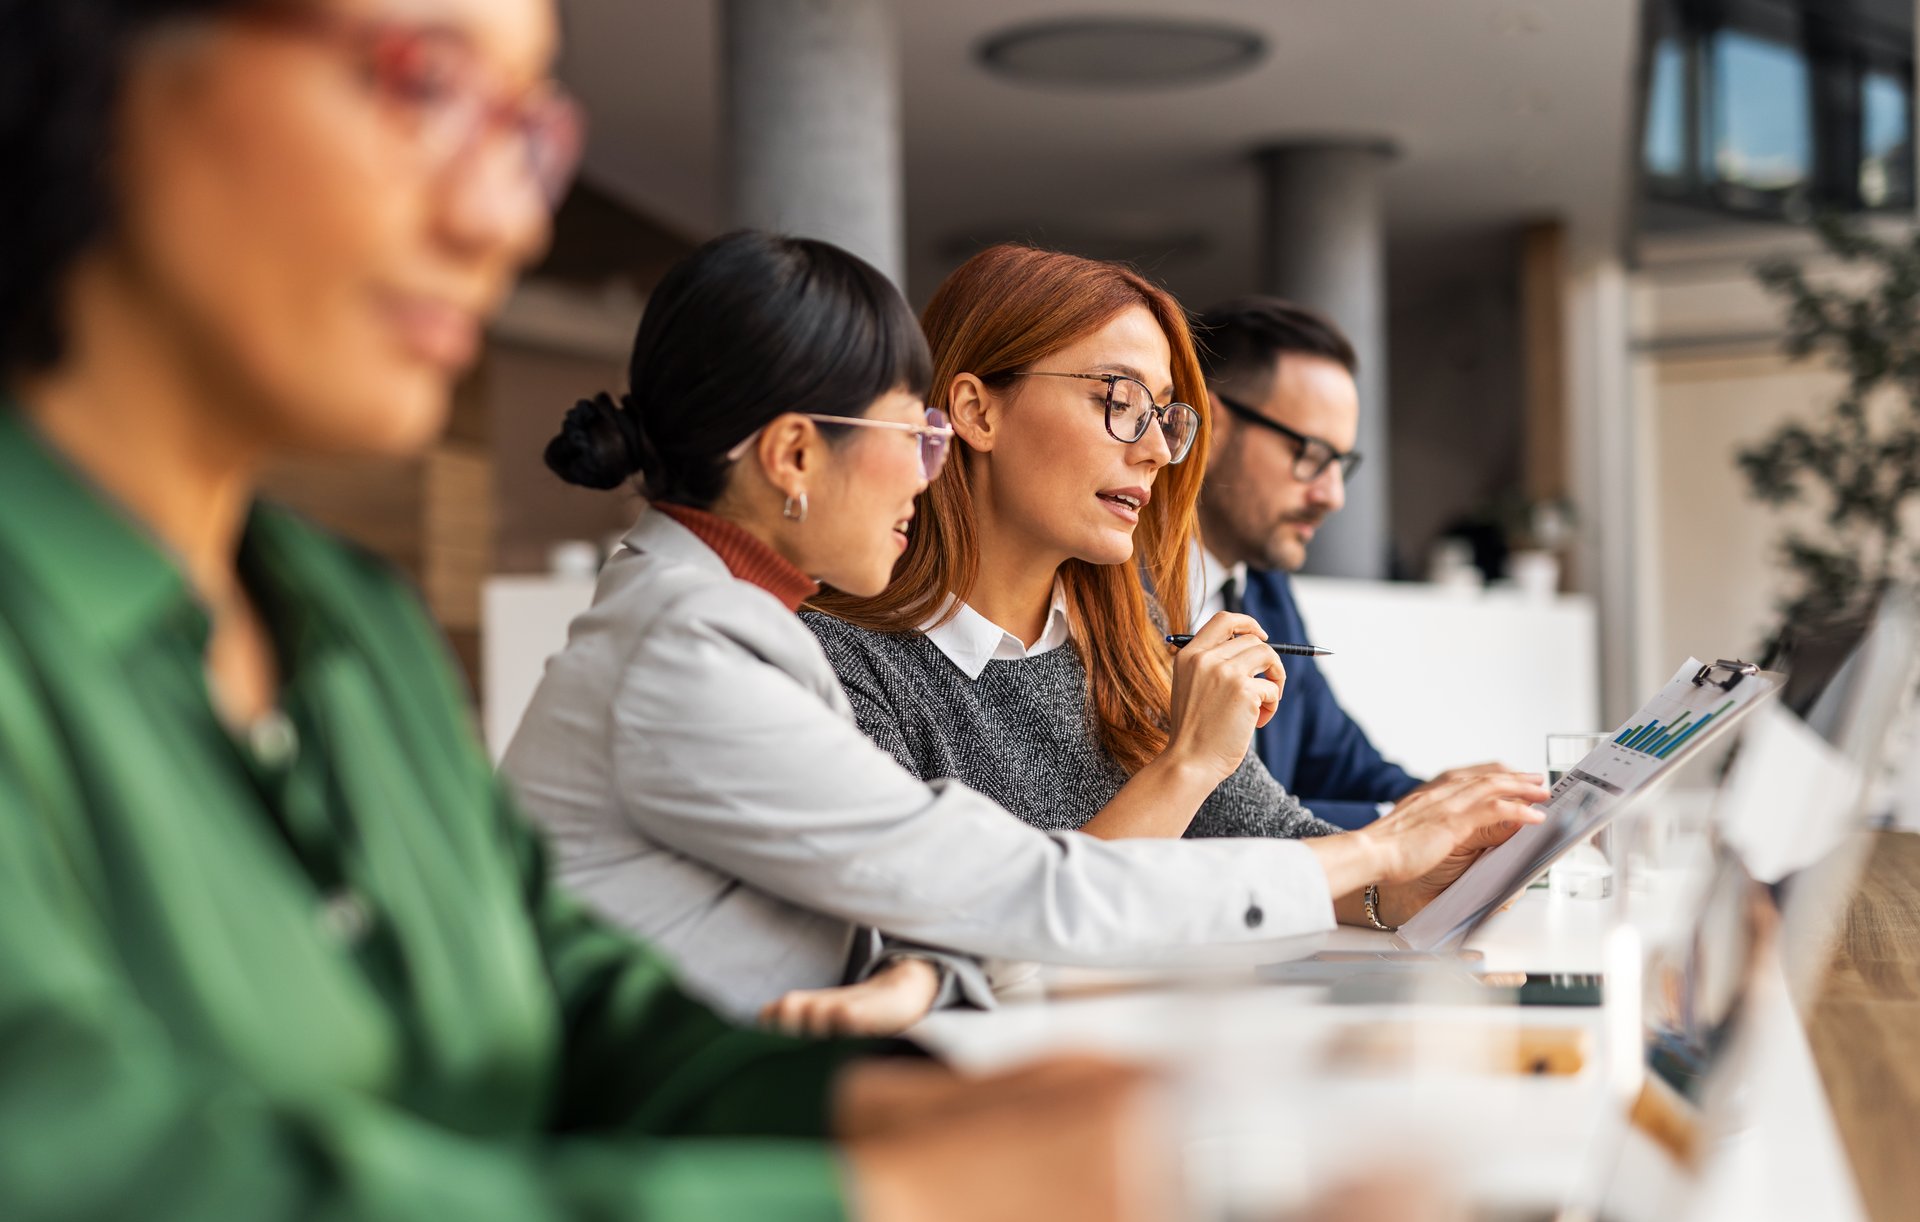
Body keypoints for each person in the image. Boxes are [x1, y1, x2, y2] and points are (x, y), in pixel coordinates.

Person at [0, 2, 1182, 1222]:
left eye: (526, 129)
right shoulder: (683, 638)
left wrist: (895, 1109)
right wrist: (888, 1216)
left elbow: (571, 1006)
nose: (506, 216)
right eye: (424, 83)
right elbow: (104, 1202)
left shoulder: (355, 626)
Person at [501, 231, 1548, 1038]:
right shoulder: (705, 650)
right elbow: (1006, 897)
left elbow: (929, 922)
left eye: (1164, 416)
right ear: (790, 455)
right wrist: (1362, 842)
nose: (927, 461)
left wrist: (1399, 876)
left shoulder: (726, 620)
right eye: (909, 434)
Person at [800, 244, 1536, 1012]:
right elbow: (964, 943)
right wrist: (1187, 766)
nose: (1155, 450)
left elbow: (1266, 843)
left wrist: (1402, 889)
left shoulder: (1125, 631)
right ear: (977, 411)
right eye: (1117, 400)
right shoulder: (840, 663)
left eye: (1162, 415)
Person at [1192, 298, 1503, 828]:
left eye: (1341, 464)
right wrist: (1412, 820)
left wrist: (1459, 804)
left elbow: (1342, 767)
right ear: (1215, 426)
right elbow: (1202, 821)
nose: (1333, 495)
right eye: (1311, 455)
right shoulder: (1114, 592)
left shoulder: (1266, 591)